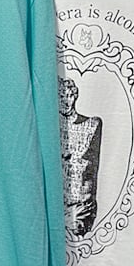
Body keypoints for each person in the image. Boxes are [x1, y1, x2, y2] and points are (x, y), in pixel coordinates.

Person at [58, 76, 102, 237]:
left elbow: (90, 168)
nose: (66, 101)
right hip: (54, 203)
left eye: (69, 95)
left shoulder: (91, 124)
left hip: (81, 206)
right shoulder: (48, 125)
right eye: (61, 96)